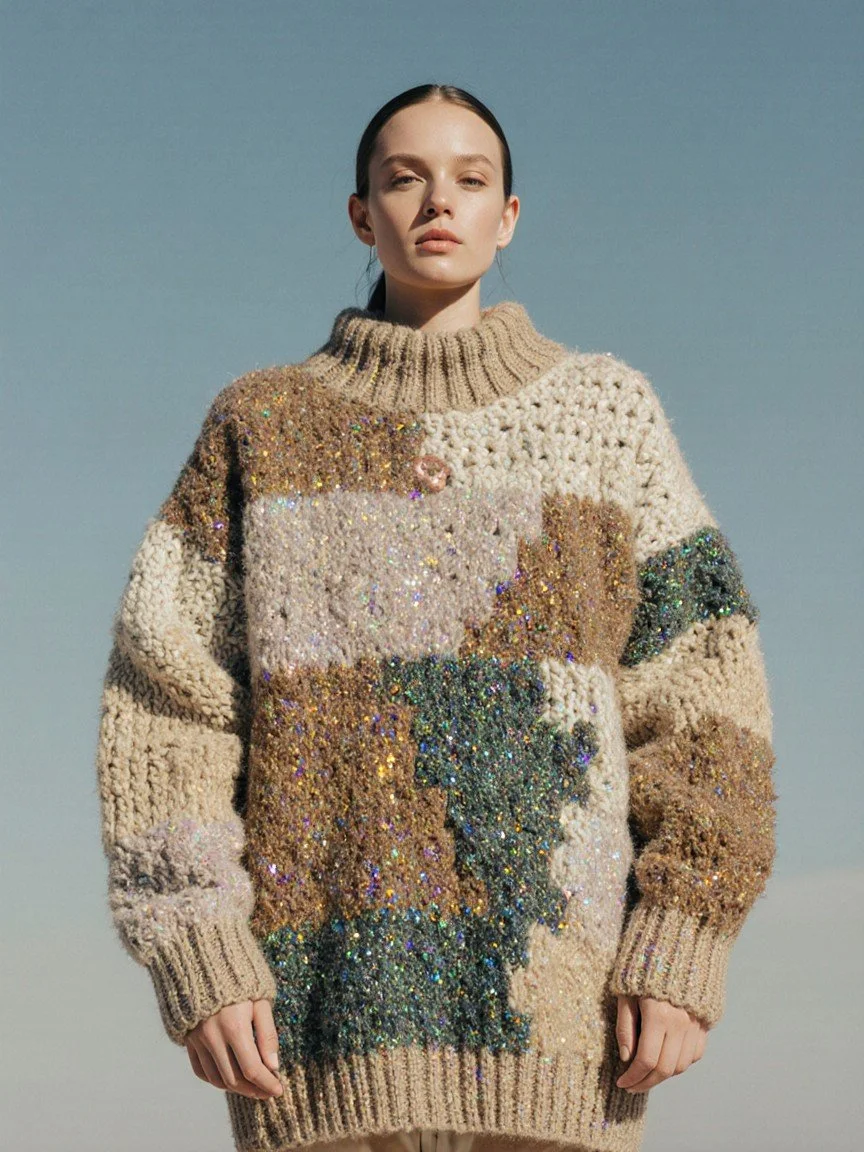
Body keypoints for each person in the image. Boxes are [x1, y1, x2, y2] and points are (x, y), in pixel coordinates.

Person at [95, 83, 777, 1152]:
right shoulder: (260, 423)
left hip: (566, 1031)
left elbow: (703, 695)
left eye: (470, 180)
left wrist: (684, 941)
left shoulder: (608, 415)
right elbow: (166, 703)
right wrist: (197, 953)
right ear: (361, 213)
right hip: (312, 1034)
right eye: (404, 178)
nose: (436, 203)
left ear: (510, 217)